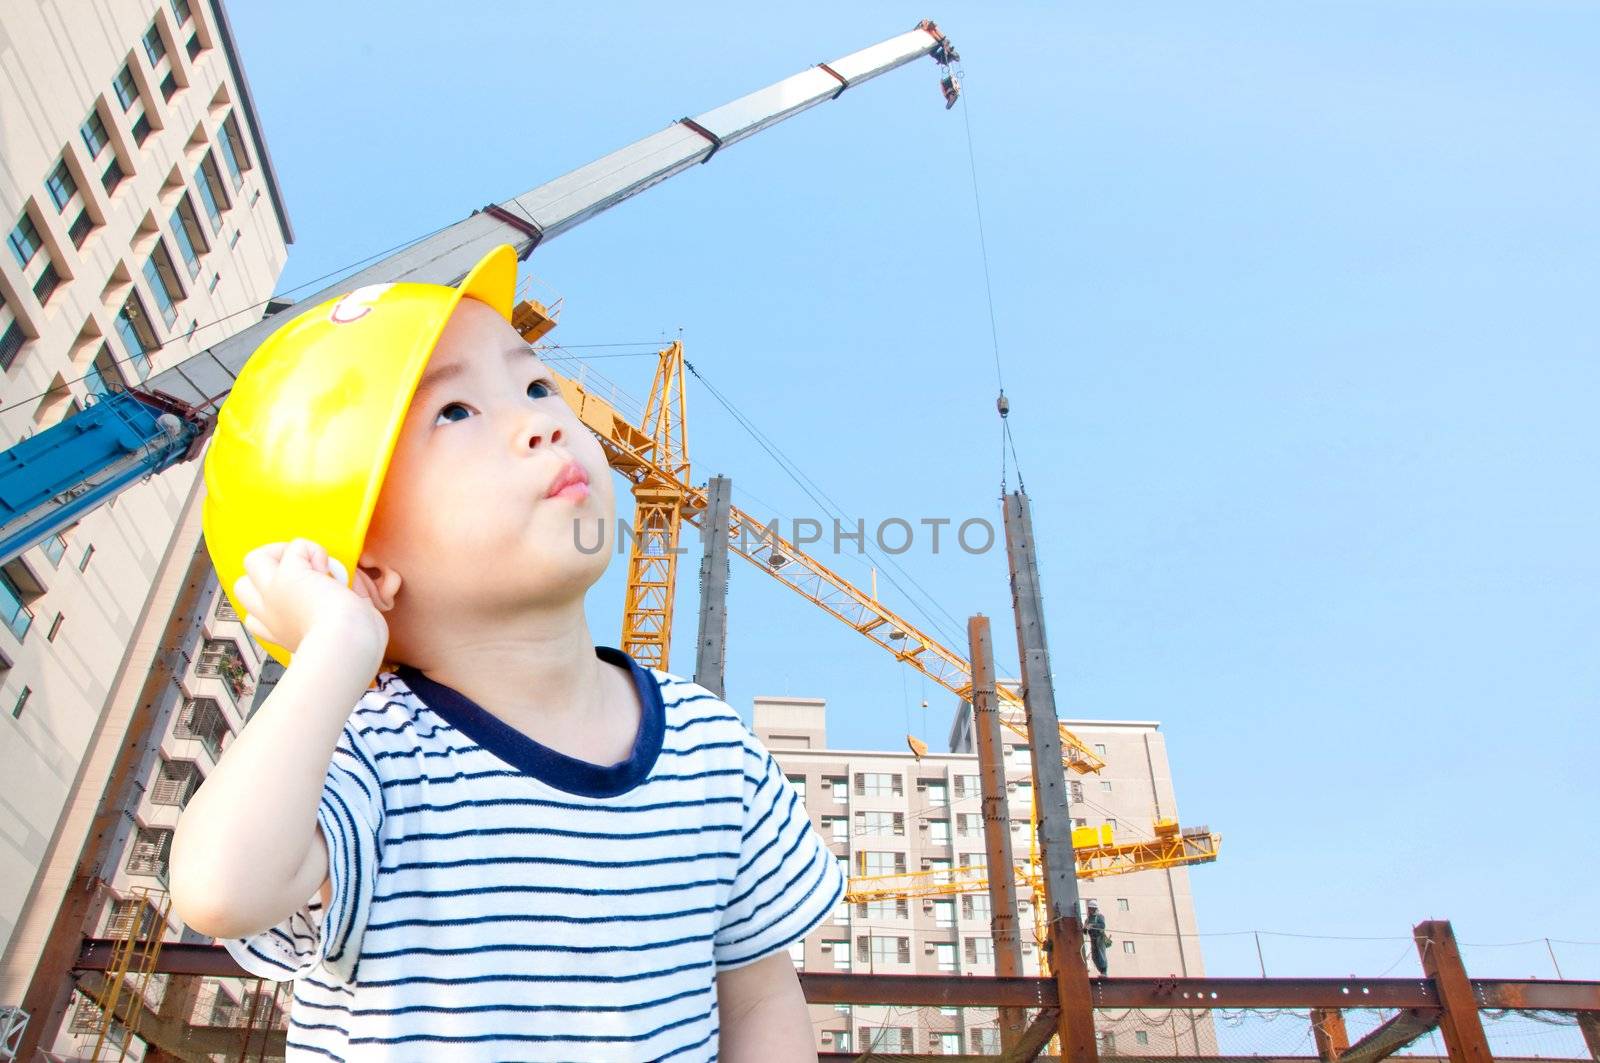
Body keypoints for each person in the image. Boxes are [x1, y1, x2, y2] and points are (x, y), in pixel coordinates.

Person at [170, 245, 844, 1062]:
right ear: (364, 567)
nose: (546, 419)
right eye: (453, 411)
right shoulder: (370, 758)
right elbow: (219, 888)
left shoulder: (711, 747)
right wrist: (335, 645)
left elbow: (761, 997)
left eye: (534, 385)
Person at [1085, 899, 1111, 977]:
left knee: (1101, 954)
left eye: (1091, 908)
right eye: (1089, 908)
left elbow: (1102, 926)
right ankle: (1101, 971)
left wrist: (1092, 926)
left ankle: (1104, 972)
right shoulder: (1088, 919)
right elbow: (1085, 931)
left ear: (1095, 908)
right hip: (1093, 939)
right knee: (1094, 956)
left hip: (1100, 938)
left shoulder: (1100, 916)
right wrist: (1085, 928)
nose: (1090, 910)